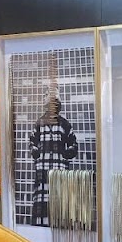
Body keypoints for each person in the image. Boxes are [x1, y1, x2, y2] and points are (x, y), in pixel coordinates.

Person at [29, 95, 77, 224]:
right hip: (42, 169)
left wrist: (66, 154)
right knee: (41, 198)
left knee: (59, 199)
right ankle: (40, 225)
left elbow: (73, 143)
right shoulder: (39, 123)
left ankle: (59, 225)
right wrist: (36, 152)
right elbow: (32, 142)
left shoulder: (65, 124)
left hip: (59, 168)